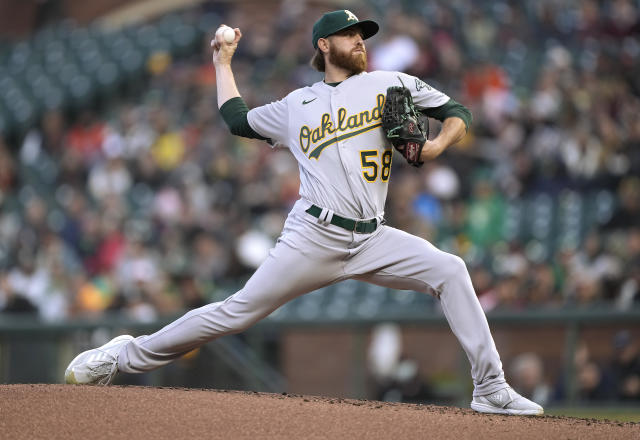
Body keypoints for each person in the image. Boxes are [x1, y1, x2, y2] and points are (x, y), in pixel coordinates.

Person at [65, 10, 543, 416]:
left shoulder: (390, 84)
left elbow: (458, 109)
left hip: (373, 237)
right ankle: (122, 356)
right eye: (352, 35)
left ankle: (491, 389)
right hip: (313, 235)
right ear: (324, 44)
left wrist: (438, 144)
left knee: (451, 269)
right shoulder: (298, 104)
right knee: (234, 314)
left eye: (364, 36)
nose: (361, 41)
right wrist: (223, 61)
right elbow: (236, 119)